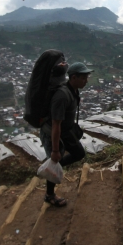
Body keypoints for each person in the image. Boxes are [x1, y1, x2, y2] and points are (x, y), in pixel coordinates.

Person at [40, 62, 93, 206]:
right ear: (74, 77)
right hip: (53, 133)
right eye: (83, 78)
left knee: (79, 153)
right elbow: (55, 125)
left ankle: (53, 166)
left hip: (65, 130)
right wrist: (56, 151)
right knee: (54, 160)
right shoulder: (62, 96)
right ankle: (50, 195)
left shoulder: (73, 90)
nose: (86, 81)